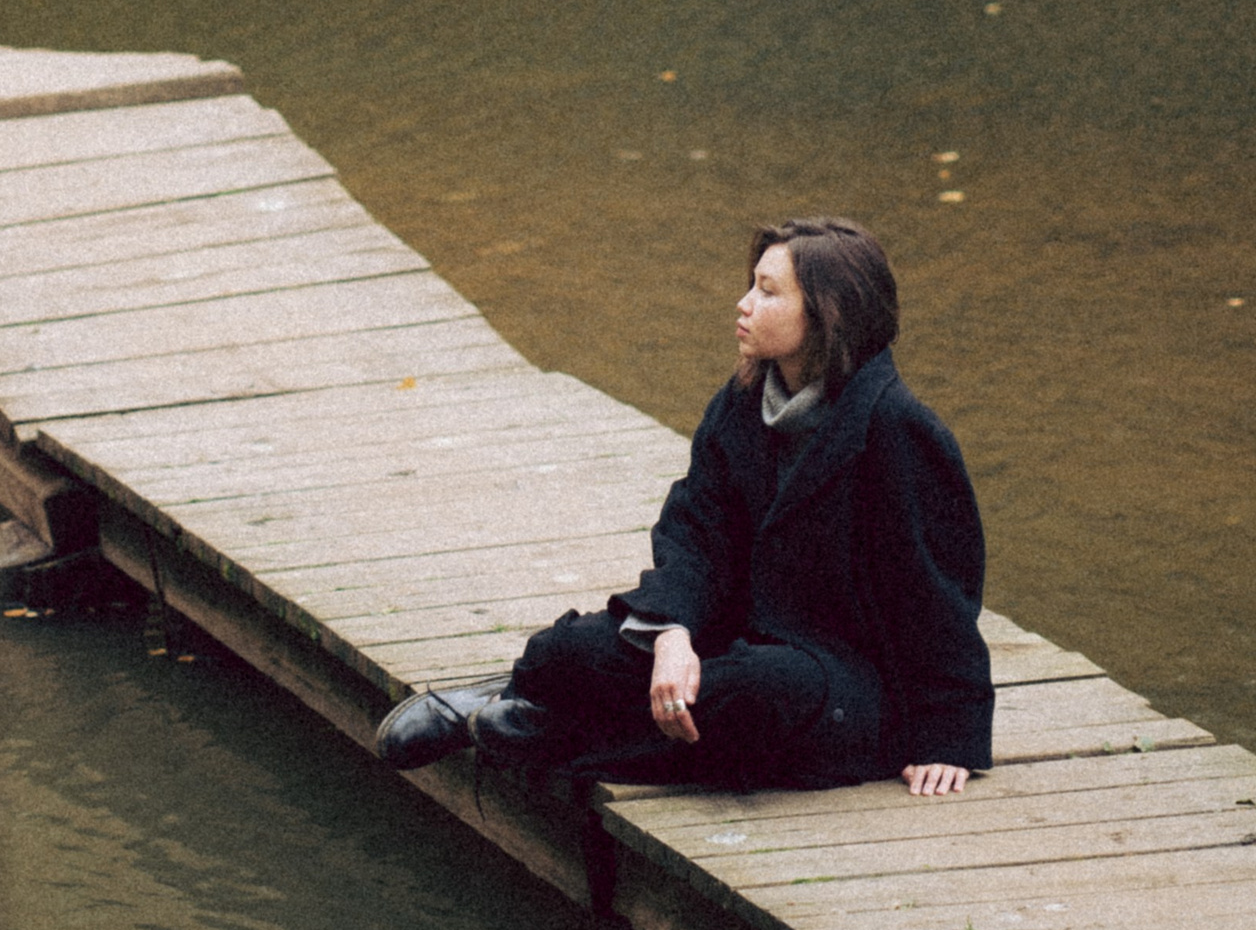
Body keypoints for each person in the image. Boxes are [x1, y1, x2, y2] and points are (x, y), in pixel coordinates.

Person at [374, 219, 992, 796]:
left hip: (840, 678)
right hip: (737, 632)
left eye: (768, 292)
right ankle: (531, 703)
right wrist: (671, 632)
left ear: (827, 314)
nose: (744, 304)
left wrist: (948, 736)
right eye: (751, 285)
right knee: (570, 651)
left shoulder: (897, 429)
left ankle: (549, 732)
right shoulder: (744, 400)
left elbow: (935, 593)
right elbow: (696, 532)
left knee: (749, 694)